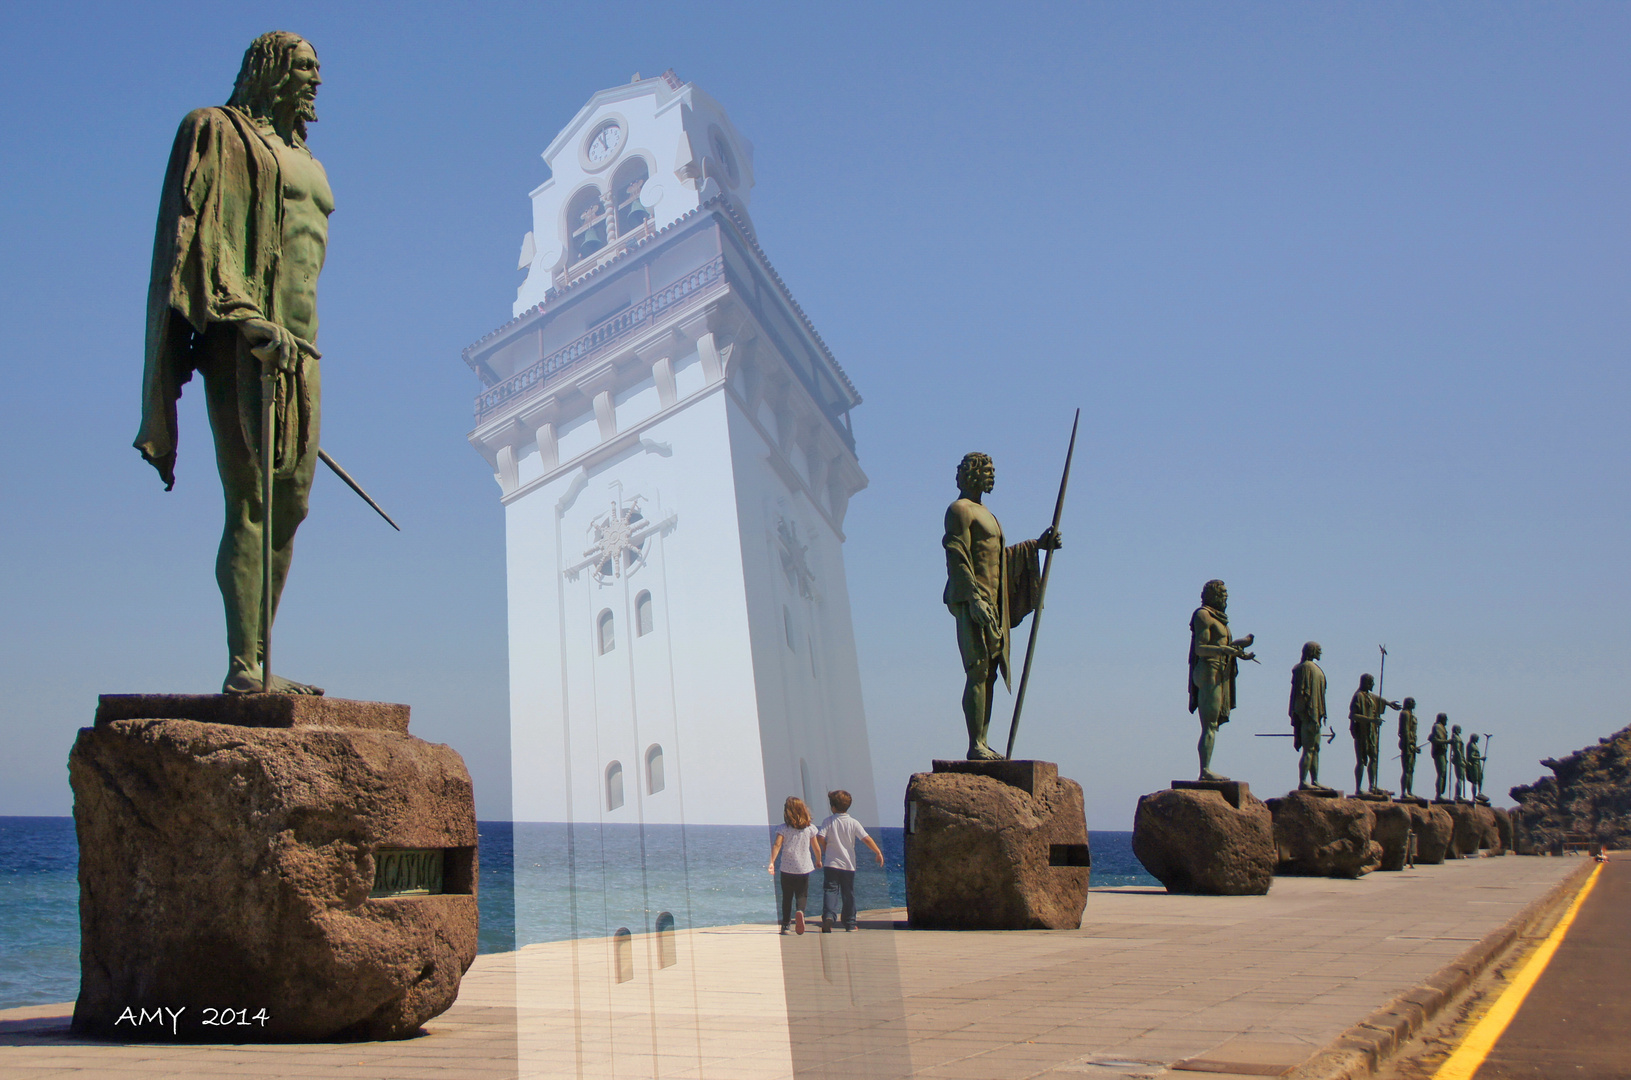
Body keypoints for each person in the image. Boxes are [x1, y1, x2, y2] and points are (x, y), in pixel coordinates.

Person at [137, 31, 332, 695]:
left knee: (292, 505)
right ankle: (245, 668)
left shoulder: (308, 159)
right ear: (269, 69)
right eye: (303, 68)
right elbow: (197, 232)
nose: (315, 81)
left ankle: (263, 655)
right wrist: (244, 314)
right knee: (251, 500)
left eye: (317, 69)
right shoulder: (216, 130)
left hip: (302, 349)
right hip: (243, 336)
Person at [943, 453, 1059, 760]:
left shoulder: (988, 514)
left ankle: (983, 739)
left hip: (994, 603)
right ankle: (974, 744)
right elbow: (957, 555)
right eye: (988, 471)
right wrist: (973, 599)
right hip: (974, 601)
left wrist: (1036, 545)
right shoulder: (960, 510)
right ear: (973, 474)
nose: (993, 477)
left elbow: (996, 559)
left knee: (990, 673)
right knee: (977, 670)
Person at [1189, 580, 1255, 781]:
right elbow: (1200, 649)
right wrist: (1224, 650)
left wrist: (1237, 652)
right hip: (1208, 670)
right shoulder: (1203, 615)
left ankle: (1206, 769)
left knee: (1213, 724)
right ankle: (1205, 771)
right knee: (1209, 724)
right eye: (1222, 593)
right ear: (1213, 595)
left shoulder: (1221, 620)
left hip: (1219, 670)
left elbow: (1223, 646)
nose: (1226, 597)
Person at [815, 789, 884, 932]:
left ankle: (829, 916)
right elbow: (866, 838)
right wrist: (877, 851)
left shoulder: (828, 821)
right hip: (848, 865)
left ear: (832, 807)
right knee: (848, 893)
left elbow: (820, 837)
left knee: (830, 890)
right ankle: (850, 923)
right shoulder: (853, 823)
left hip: (831, 864)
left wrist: (825, 845)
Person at [767, 796, 820, 935]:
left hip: (787, 868)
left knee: (787, 896)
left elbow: (777, 845)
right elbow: (816, 847)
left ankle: (785, 925)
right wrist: (819, 860)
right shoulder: (810, 829)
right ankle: (800, 911)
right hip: (804, 867)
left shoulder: (783, 828)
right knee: (802, 894)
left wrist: (772, 862)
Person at [1347, 674, 1400, 796]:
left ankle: (1372, 786)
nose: (1373, 685)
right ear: (1365, 682)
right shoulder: (1358, 696)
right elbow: (1353, 715)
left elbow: (1379, 699)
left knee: (1374, 758)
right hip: (1362, 733)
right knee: (1361, 760)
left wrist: (1389, 704)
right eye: (1371, 683)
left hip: (1372, 733)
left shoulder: (1369, 696)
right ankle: (1359, 788)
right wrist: (1371, 720)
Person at [1288, 641, 1330, 791]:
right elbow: (1301, 695)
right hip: (1308, 717)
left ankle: (1315, 780)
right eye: (1318, 650)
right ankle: (1303, 781)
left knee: (1315, 749)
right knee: (1308, 748)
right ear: (1311, 651)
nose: (1320, 653)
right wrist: (1307, 717)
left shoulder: (1317, 669)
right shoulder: (1304, 668)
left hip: (1316, 717)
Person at [1397, 698, 1420, 798]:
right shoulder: (1405, 714)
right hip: (1407, 745)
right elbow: (1405, 731)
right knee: (1406, 769)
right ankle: (1404, 792)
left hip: (1412, 745)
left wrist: (1414, 746)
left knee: (1411, 770)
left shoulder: (1412, 715)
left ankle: (1409, 791)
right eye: (1412, 702)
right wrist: (1408, 745)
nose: (1414, 704)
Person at [1429, 714, 1452, 801]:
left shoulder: (1442, 727)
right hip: (1438, 752)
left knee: (1443, 773)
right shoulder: (1437, 727)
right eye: (1446, 719)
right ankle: (1438, 794)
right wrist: (1447, 741)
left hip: (1443, 753)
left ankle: (1440, 793)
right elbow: (1436, 740)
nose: (1446, 721)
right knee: (1441, 773)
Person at [1450, 724, 1467, 801]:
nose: (1461, 730)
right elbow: (1457, 750)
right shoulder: (1456, 738)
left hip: (1460, 759)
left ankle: (1459, 794)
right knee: (1459, 778)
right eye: (1459, 729)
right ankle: (1458, 795)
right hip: (1458, 760)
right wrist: (1461, 760)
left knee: (1461, 778)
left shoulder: (1456, 737)